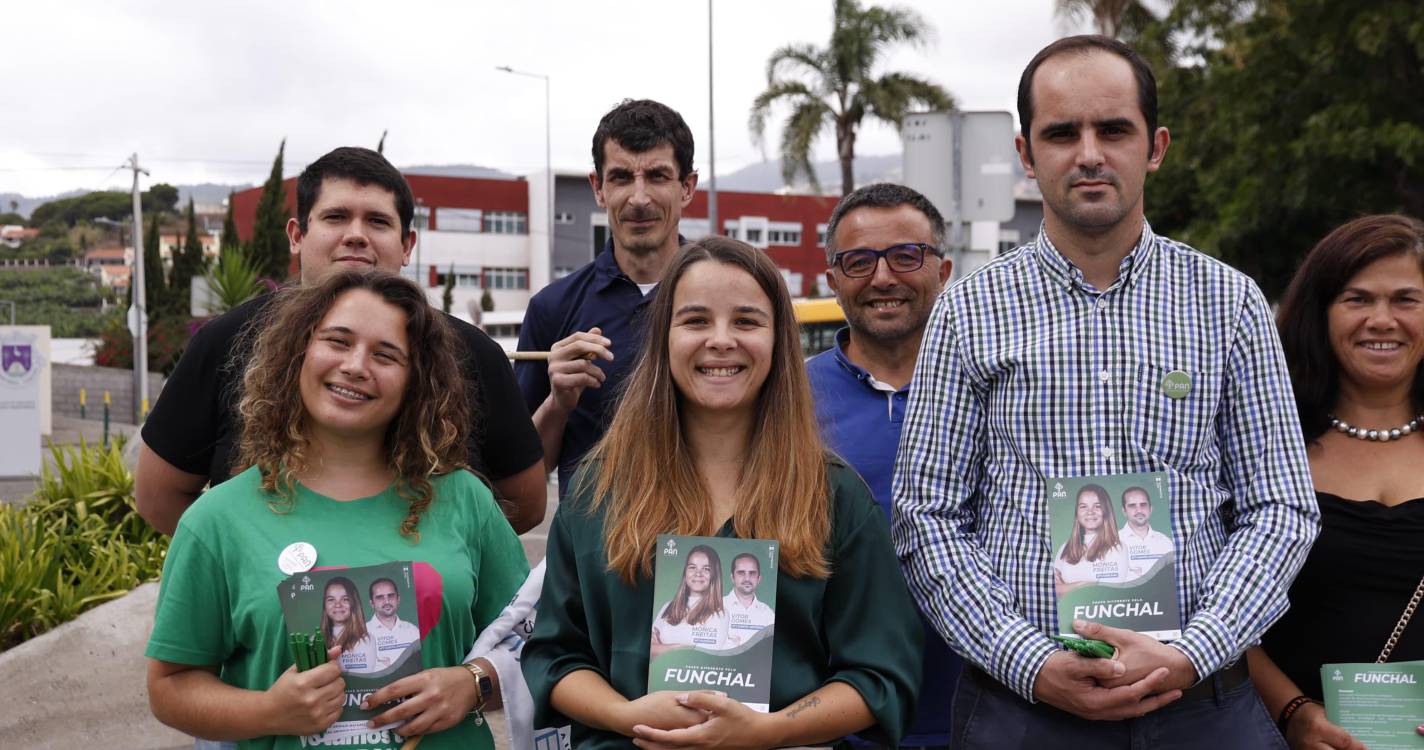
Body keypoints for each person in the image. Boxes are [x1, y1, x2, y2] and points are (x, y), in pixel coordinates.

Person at [893, 35, 1319, 748]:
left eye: (1113, 130)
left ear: (1155, 146)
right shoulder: (969, 312)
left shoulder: (1229, 304)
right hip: (1024, 715)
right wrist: (1030, 663)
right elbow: (927, 515)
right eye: (1063, 133)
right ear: (1027, 154)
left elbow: (1280, 506)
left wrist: (1195, 649)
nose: (1089, 154)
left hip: (1204, 708)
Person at [522, 237, 923, 748]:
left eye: (746, 321)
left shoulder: (834, 497)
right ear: (663, 338)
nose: (720, 340)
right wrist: (626, 715)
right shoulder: (597, 491)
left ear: (779, 340)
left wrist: (768, 731)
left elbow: (880, 675)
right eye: (695, 320)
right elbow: (555, 655)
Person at [145, 271, 530, 749]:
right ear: (299, 352)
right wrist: (268, 712)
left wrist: (475, 683)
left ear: (415, 382)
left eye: (385, 355)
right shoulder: (218, 519)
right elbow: (170, 686)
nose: (355, 366)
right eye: (337, 341)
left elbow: (537, 643)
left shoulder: (465, 499)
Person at [136, 146, 546, 536]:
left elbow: (524, 504)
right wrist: (246, 560)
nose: (356, 235)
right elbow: (158, 497)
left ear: (407, 245)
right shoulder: (226, 343)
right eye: (336, 217)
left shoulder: (471, 354)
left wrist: (442, 561)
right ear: (297, 235)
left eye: (378, 222)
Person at [1250, 214, 1424, 750]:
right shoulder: (1263, 443)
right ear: (1320, 313)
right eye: (1357, 299)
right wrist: (1294, 713)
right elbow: (1211, 603)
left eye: (1406, 300)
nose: (1382, 320)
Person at [805, 182, 961, 749]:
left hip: (985, 710)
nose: (883, 277)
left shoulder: (992, 388)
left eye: (906, 256)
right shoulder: (786, 400)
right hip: (833, 721)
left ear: (943, 271)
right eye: (859, 261)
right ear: (833, 280)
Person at [515, 99, 696, 496]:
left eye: (657, 176)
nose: (639, 198)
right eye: (621, 178)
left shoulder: (724, 299)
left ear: (687, 187)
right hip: (591, 535)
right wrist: (558, 403)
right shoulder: (552, 308)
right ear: (598, 188)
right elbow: (522, 477)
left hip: (702, 535)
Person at [651, 544, 731, 655]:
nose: (698, 574)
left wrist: (661, 647)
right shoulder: (668, 606)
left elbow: (702, 657)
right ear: (685, 572)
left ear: (714, 574)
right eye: (692, 567)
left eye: (706, 569)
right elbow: (651, 650)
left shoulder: (720, 614)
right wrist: (683, 647)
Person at [1053, 484, 1131, 596]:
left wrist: (1065, 588)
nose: (1090, 512)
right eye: (1083, 506)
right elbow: (1053, 590)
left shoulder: (1118, 548)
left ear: (1106, 511)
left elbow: (1107, 593)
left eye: (1097, 506)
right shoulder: (1065, 547)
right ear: (1077, 512)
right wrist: (1085, 585)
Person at [321, 577, 378, 674]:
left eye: (345, 599)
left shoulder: (366, 640)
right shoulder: (313, 640)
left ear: (354, 603)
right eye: (331, 599)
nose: (338, 605)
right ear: (324, 605)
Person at [1118, 486, 1173, 581]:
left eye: (1143, 505)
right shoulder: (1113, 541)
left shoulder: (1165, 542)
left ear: (1150, 509)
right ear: (1124, 511)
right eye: (1132, 505)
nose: (1139, 510)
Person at [366, 578, 420, 670]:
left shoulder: (412, 630)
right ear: (372, 603)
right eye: (380, 597)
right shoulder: (362, 633)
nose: (387, 602)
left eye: (390, 596)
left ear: (398, 599)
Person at [723, 553, 774, 643]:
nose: (747, 578)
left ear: (759, 579)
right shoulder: (716, 607)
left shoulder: (768, 614)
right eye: (741, 573)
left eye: (752, 573)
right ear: (732, 577)